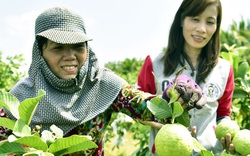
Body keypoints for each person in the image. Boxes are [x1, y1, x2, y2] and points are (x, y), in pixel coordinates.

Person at [0, 7, 205, 156]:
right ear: (40, 51)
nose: (70, 56)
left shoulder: (101, 83)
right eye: (58, 48)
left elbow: (143, 105)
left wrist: (174, 97)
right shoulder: (22, 98)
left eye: (78, 47)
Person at [136, 0, 235, 155]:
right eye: (195, 19)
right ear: (182, 19)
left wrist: (230, 134)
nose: (202, 29)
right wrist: (162, 111)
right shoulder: (154, 63)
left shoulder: (224, 69)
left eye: (210, 22)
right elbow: (136, 109)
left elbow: (223, 114)